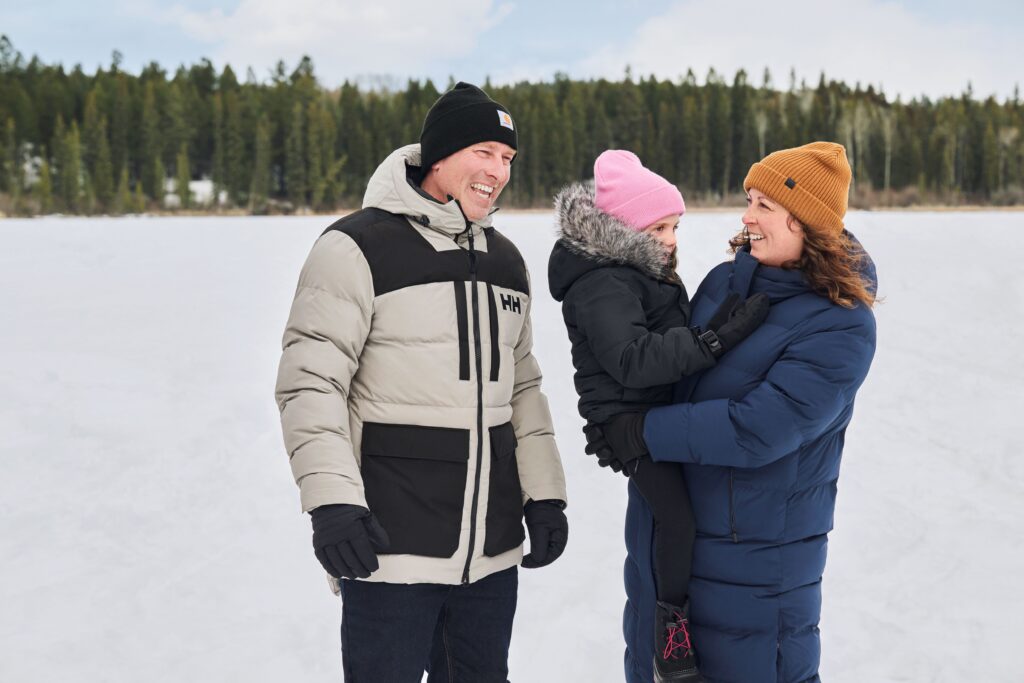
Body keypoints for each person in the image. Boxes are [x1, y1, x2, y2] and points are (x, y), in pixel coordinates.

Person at [274, 81, 568, 683]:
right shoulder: (356, 246)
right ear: (440, 155)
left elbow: (524, 389)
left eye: (508, 158)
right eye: (484, 151)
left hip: (490, 555)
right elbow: (310, 383)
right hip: (391, 548)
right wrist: (331, 502)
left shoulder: (505, 260)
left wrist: (545, 494)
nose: (498, 171)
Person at [587, 142, 878, 683]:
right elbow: (672, 373)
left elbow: (757, 428)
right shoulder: (725, 284)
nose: (746, 217)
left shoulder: (841, 325)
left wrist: (641, 432)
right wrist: (613, 414)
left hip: (753, 578)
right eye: (749, 199)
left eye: (764, 205)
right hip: (667, 554)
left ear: (806, 221)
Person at [548, 150, 768, 682]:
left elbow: (669, 330)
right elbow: (632, 358)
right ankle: (672, 630)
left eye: (675, 226)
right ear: (626, 229)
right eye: (662, 227)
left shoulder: (638, 269)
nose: (672, 239)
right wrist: (715, 338)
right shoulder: (604, 281)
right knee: (677, 519)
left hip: (652, 410)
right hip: (626, 423)